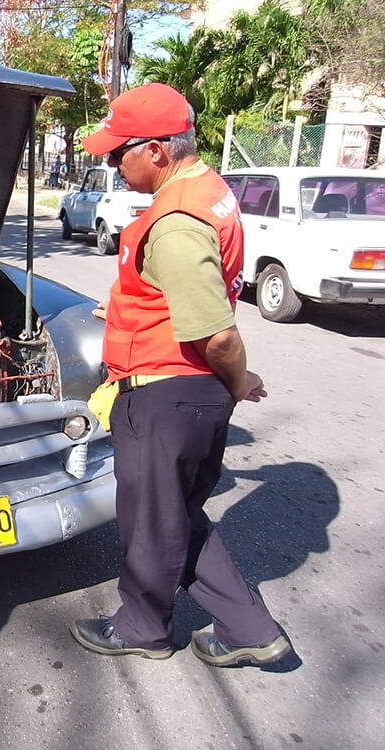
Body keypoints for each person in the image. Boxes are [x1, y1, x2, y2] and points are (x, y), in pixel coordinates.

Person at [68, 83, 292, 667]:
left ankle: (143, 627)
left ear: (159, 150)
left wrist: (240, 379)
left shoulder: (175, 221)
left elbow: (214, 332)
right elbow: (183, 294)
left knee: (150, 522)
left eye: (120, 153)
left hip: (165, 393)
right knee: (173, 517)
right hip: (188, 390)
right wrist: (123, 309)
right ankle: (248, 629)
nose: (113, 165)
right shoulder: (209, 190)